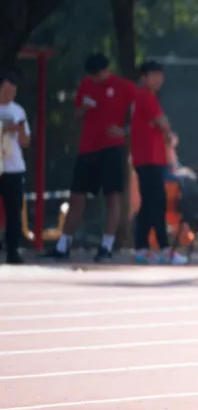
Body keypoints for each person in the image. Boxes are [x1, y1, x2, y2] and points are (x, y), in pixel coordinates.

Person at [46, 53, 136, 262]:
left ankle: (106, 246)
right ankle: (63, 245)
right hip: (87, 149)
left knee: (112, 196)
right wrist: (84, 108)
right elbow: (76, 116)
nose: (94, 80)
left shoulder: (124, 86)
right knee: (76, 197)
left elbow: (139, 117)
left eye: (97, 75)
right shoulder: (86, 85)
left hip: (112, 149)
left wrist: (123, 131)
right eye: (91, 76)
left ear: (106, 70)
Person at [130, 61, 172, 263]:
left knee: (149, 203)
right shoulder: (145, 95)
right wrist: (164, 128)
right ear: (144, 77)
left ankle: (142, 248)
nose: (158, 79)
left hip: (151, 158)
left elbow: (161, 124)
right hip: (148, 158)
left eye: (160, 75)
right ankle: (164, 248)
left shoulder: (149, 96)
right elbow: (163, 123)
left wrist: (162, 127)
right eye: (154, 75)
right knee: (157, 202)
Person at [0, 70, 30, 265]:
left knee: (14, 211)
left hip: (14, 167)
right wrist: (4, 128)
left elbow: (26, 142)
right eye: (6, 91)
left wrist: (20, 130)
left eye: (13, 92)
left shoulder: (18, 110)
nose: (10, 95)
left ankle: (13, 251)